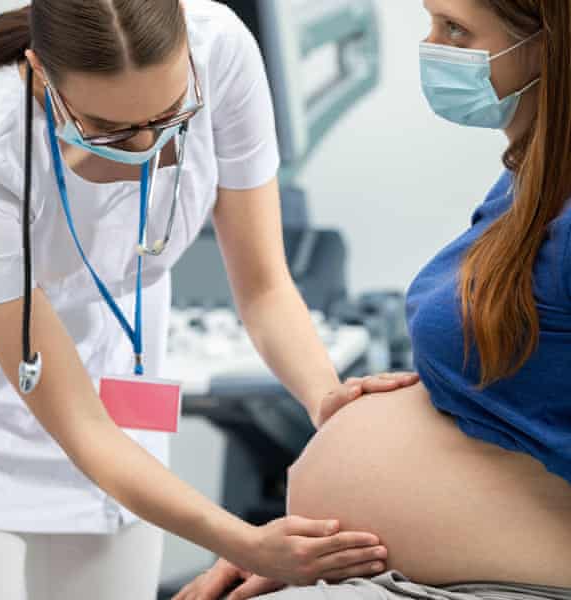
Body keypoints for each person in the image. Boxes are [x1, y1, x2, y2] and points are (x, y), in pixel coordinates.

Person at [0, 1, 422, 598]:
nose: (148, 148)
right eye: (109, 129)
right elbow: (80, 425)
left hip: (123, 407)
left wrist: (327, 399)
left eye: (170, 117)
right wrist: (244, 542)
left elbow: (263, 287)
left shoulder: (220, 52)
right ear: (38, 72)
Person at [174, 1, 571, 599]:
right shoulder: (528, 180)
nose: (430, 46)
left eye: (456, 30)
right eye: (431, 22)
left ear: (549, 45)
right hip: (409, 570)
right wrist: (297, 555)